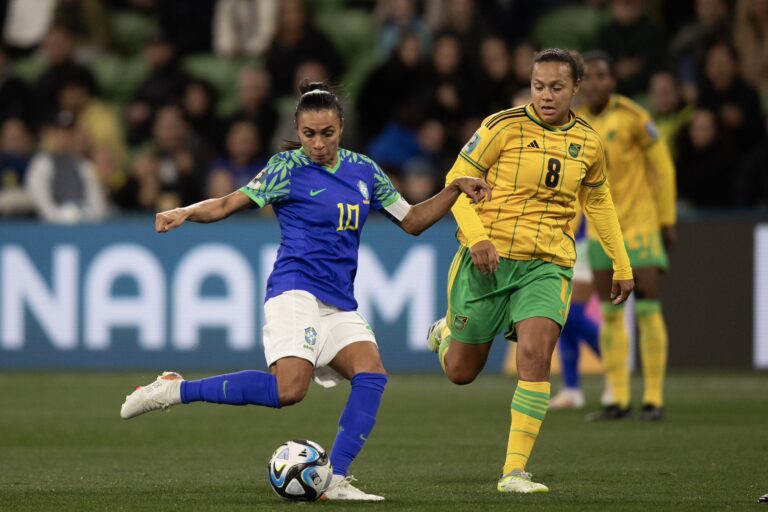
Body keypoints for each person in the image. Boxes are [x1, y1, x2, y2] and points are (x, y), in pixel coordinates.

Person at [119, 81, 491, 501]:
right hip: (294, 289)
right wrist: (185, 211)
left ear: (341, 128)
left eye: (327, 133)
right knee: (288, 391)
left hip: (338, 300)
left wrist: (455, 187)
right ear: (298, 130)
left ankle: (336, 480)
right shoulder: (286, 168)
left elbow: (413, 221)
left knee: (371, 375)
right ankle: (174, 389)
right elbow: (226, 204)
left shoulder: (364, 170)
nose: (317, 143)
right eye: (309, 134)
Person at [425, 48, 634, 493]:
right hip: (488, 259)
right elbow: (456, 183)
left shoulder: (589, 143)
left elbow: (598, 200)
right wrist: (478, 237)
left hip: (548, 263)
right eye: (539, 86)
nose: (546, 95)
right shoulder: (501, 127)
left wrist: (621, 262)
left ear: (575, 88)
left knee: (536, 356)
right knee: (461, 372)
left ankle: (514, 471)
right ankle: (444, 335)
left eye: (556, 87)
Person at [575, 51, 676, 422]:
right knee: (611, 314)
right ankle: (616, 398)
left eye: (603, 76)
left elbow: (661, 166)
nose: (597, 83)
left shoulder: (634, 117)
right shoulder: (575, 123)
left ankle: (653, 398)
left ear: (613, 80)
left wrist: (666, 218)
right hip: (601, 230)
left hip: (640, 226)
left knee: (648, 311)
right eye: (590, 77)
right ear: (580, 84)